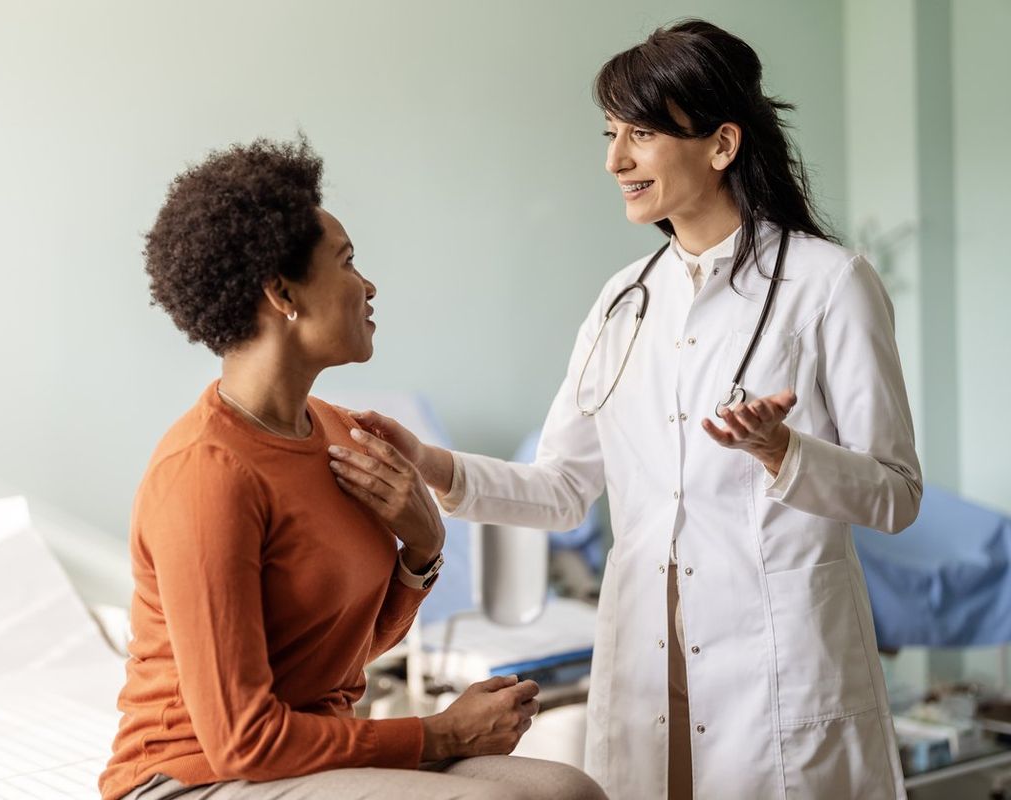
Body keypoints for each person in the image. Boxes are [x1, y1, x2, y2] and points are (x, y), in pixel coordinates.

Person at [332, 19, 922, 800]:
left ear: (721, 144)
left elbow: (896, 493)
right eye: (611, 134)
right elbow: (561, 488)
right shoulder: (623, 303)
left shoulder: (829, 284)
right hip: (649, 668)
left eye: (640, 134)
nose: (615, 160)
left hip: (777, 669)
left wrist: (784, 453)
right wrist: (429, 463)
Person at [98, 138, 606, 800]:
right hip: (193, 777)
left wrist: (421, 553)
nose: (368, 285)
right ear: (282, 292)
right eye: (346, 262)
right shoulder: (205, 475)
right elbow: (242, 740)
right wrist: (440, 733)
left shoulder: (341, 434)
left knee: (568, 791)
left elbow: (337, 656)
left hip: (311, 753)